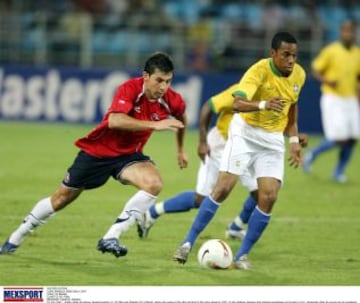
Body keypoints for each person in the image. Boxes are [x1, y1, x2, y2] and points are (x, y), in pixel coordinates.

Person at [0, 52, 188, 258]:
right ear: (146, 76)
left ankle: (111, 237)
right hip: (98, 153)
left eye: (168, 81)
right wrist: (155, 124)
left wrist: (180, 149)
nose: (163, 87)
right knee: (61, 198)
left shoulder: (172, 100)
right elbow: (115, 121)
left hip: (129, 157)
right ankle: (16, 237)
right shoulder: (129, 88)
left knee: (154, 184)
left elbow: (180, 118)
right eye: (159, 80)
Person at [172, 32, 306, 270]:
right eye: (286, 55)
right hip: (245, 133)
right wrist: (263, 103)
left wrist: (294, 139)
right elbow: (237, 104)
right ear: (273, 53)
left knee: (269, 196)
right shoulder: (258, 72)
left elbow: (292, 108)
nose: (291, 60)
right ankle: (187, 242)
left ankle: (242, 255)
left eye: (294, 55)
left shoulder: (299, 75)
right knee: (223, 188)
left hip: (273, 139)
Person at [137, 84, 308, 241]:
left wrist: (294, 137)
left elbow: (273, 125)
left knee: (260, 193)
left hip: (248, 147)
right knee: (201, 199)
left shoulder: (270, 97)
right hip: (220, 146)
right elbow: (208, 107)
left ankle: (236, 227)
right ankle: (151, 213)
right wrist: (203, 142)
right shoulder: (240, 91)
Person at [303, 20, 360, 183]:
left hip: (350, 99)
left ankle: (338, 172)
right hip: (333, 98)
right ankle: (311, 155)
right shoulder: (331, 50)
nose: (348, 34)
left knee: (353, 138)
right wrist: (327, 81)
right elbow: (315, 70)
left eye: (351, 31)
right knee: (338, 138)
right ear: (341, 32)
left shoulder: (357, 53)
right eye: (346, 31)